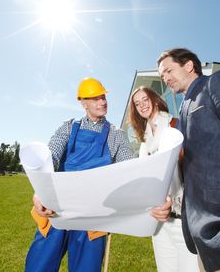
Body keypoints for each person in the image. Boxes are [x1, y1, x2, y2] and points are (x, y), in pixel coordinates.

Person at [25, 77, 171, 272]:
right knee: (39, 266)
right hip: (56, 210)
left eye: (103, 97)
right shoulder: (68, 128)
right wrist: (39, 193)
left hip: (94, 217)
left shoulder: (116, 134)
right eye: (95, 99)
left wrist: (148, 194)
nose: (102, 102)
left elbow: (129, 170)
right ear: (83, 103)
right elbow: (48, 159)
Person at [157, 48, 220, 272]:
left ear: (189, 65)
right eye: (161, 75)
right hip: (202, 233)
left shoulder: (213, 83)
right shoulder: (183, 108)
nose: (165, 78)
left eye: (168, 70)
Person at [129, 86, 199, 272]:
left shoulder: (176, 125)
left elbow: (194, 169)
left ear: (154, 99)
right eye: (137, 104)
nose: (142, 105)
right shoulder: (144, 140)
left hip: (182, 219)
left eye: (145, 99)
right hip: (158, 221)